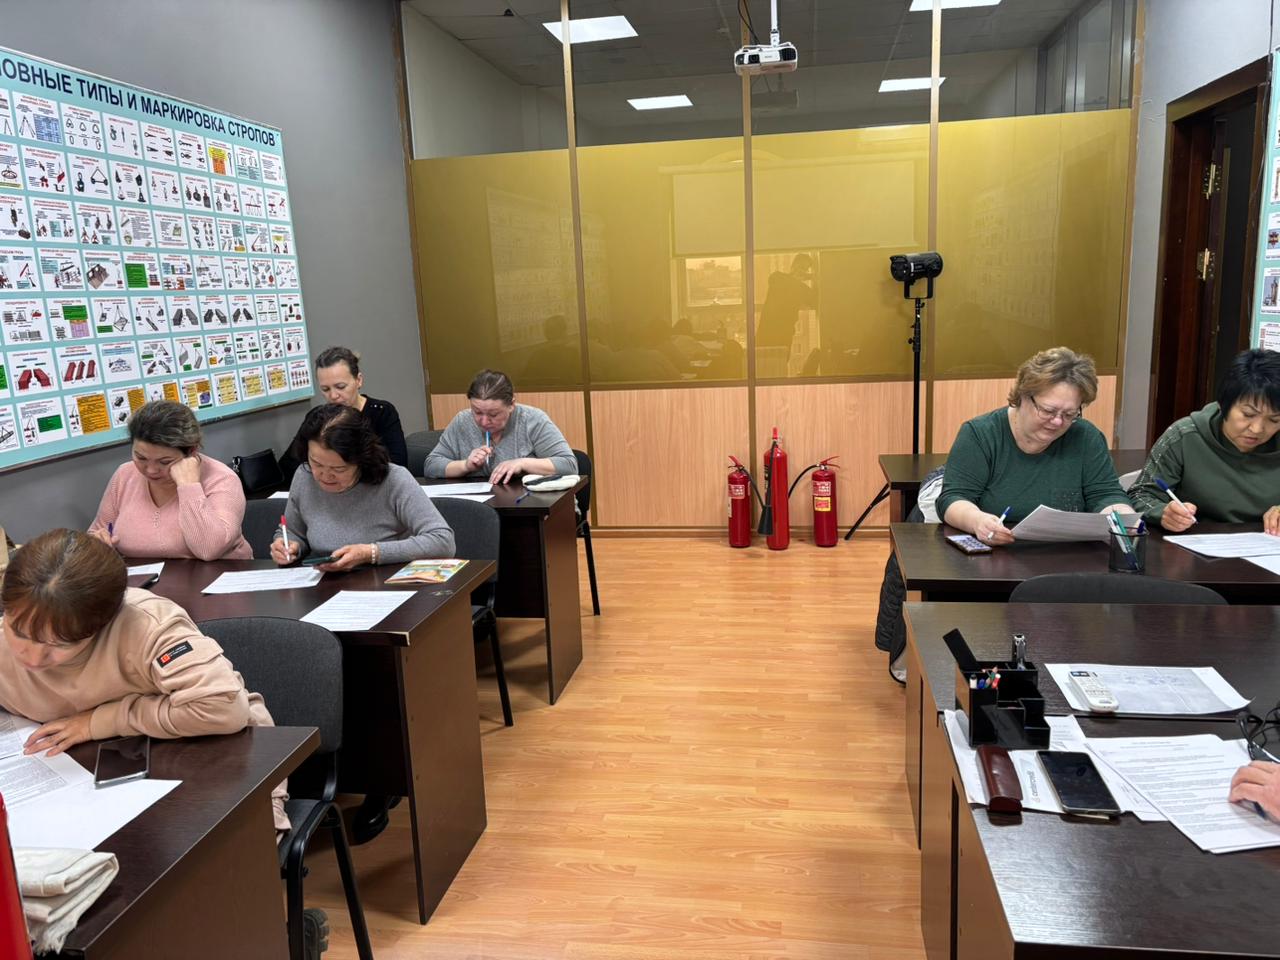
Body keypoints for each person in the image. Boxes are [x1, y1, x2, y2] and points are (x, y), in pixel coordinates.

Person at [0, 529, 288, 831]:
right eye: (19, 632)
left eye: (59, 645)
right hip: (77, 783)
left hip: (207, 754)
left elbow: (221, 708)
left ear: (101, 625)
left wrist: (100, 721)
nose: (33, 658)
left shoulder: (146, 625)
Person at [938, 346, 1135, 544]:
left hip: (1068, 552)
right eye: (1048, 411)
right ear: (1023, 396)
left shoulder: (1086, 437)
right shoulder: (981, 434)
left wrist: (1124, 518)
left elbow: (1105, 495)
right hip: (998, 550)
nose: (1057, 421)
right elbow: (954, 498)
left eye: (1069, 414)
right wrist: (978, 521)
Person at [272, 403, 454, 571]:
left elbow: (442, 541)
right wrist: (288, 545)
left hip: (386, 579)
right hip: (324, 582)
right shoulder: (304, 476)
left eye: (338, 469)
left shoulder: (393, 479)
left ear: (361, 460)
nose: (325, 476)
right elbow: (293, 531)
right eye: (316, 463)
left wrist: (372, 553)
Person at [1130, 349, 1280, 532]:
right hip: (1194, 542)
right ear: (1223, 404)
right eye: (1248, 414)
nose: (1257, 429)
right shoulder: (1184, 436)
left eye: (1274, 420)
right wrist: (1163, 513)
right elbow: (1140, 494)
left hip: (1267, 544)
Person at [88, 399, 252, 560]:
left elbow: (209, 550)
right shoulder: (125, 475)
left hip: (218, 575)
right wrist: (98, 543)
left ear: (192, 451)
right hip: (144, 577)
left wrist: (189, 487)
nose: (151, 470)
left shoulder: (222, 479)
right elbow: (96, 533)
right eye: (141, 458)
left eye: (165, 462)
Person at [279, 346, 407, 483]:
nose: (333, 395)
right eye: (325, 389)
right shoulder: (317, 417)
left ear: (358, 380)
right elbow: (288, 466)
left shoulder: (382, 412)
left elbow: (397, 466)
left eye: (340, 387)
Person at [424, 369, 576, 484]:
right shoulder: (462, 421)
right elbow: (431, 465)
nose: (484, 422)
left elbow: (569, 465)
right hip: (481, 506)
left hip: (531, 505)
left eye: (493, 414)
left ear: (511, 405)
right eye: (477, 412)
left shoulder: (532, 420)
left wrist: (522, 463)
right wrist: (465, 466)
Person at [756, 253, 818, 350]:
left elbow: (815, 300)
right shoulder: (778, 277)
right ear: (793, 266)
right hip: (767, 329)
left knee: (781, 357)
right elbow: (773, 279)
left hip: (784, 334)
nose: (801, 271)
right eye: (800, 266)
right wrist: (808, 277)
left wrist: (814, 278)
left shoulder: (801, 289)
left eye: (804, 269)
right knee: (761, 356)